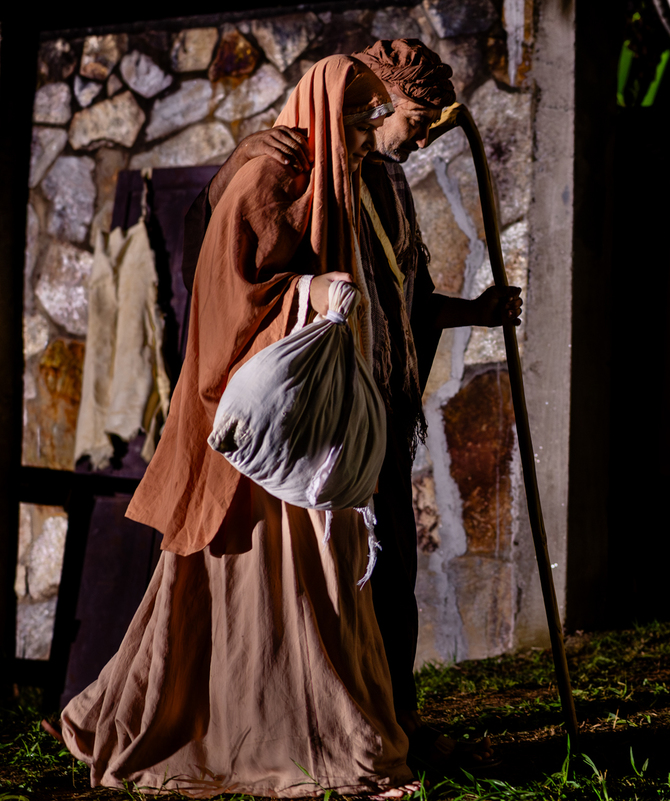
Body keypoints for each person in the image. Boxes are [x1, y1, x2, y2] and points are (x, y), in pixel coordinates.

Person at [57, 55, 425, 798]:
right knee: (268, 587)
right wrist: (307, 292)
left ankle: (336, 729)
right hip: (264, 443)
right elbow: (225, 291)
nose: (369, 139)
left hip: (312, 429)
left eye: (374, 123)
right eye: (361, 124)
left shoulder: (340, 182)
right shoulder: (272, 172)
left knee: (330, 582)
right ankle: (289, 739)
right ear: (328, 115)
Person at [180, 39, 514, 768]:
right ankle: (332, 726)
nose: (415, 137)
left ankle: (396, 719)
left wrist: (476, 312)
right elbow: (219, 255)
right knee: (334, 577)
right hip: (319, 415)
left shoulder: (388, 184)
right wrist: (239, 161)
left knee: (392, 570)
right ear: (372, 105)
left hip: (383, 409)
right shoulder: (297, 172)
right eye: (409, 119)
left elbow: (406, 300)